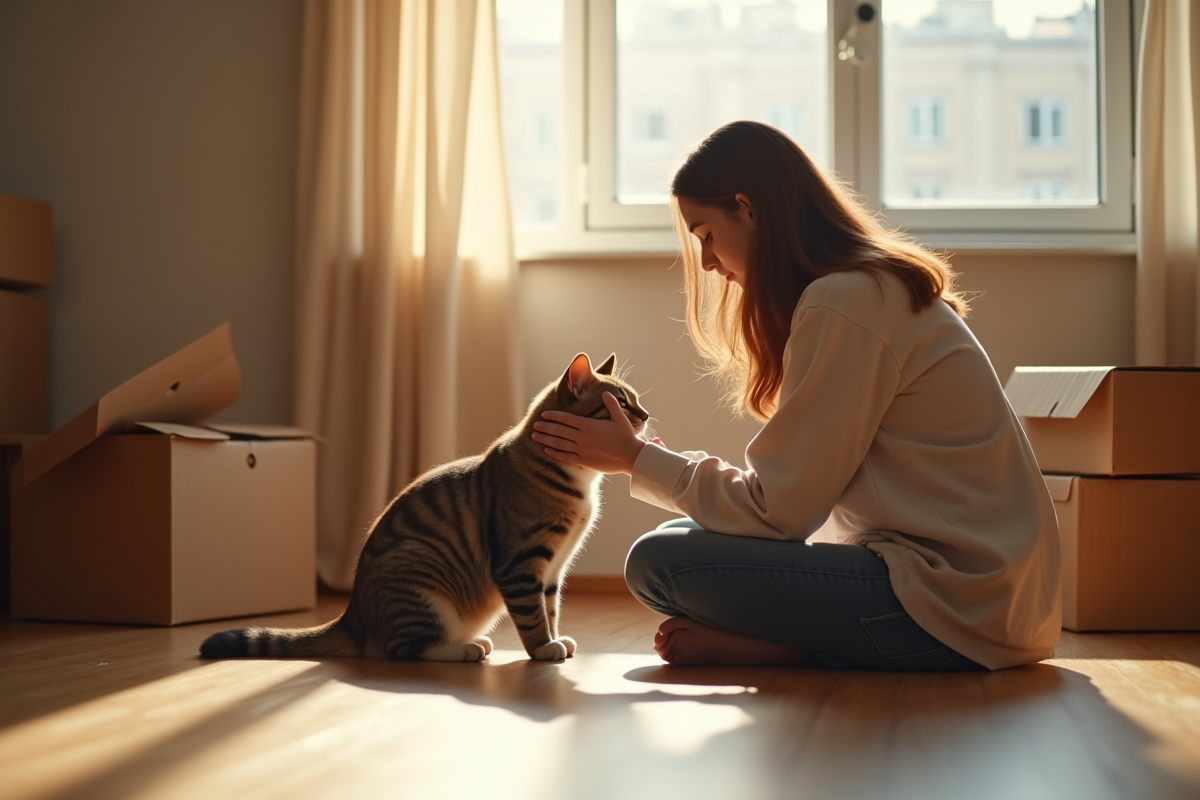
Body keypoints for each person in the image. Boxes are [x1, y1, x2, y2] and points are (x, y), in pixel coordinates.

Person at [530, 120, 1060, 671]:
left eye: (707, 233)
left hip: (955, 608)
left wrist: (635, 458)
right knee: (680, 532)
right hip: (987, 599)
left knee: (659, 561)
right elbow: (789, 504)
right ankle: (807, 643)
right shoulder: (863, 289)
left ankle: (798, 647)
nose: (707, 261)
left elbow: (779, 513)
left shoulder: (845, 301)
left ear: (748, 209)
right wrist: (650, 462)